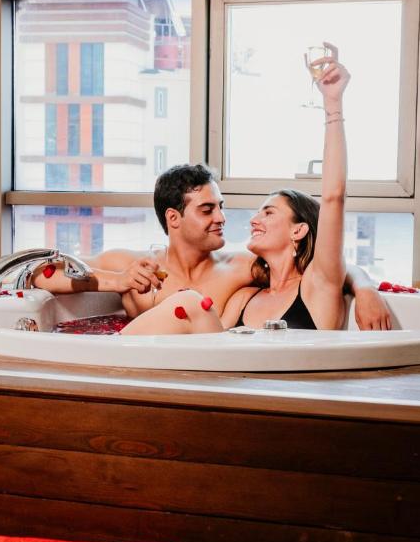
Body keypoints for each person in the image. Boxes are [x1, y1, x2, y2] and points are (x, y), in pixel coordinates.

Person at [32, 49, 391, 331]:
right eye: (207, 210)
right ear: (173, 217)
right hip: (153, 379)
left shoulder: (243, 269)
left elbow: (330, 238)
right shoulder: (136, 266)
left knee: (188, 304)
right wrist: (117, 282)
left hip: (215, 388)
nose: (223, 218)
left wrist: (365, 288)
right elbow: (42, 272)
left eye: (220, 206)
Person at [121, 44, 350, 334]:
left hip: (288, 380)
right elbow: (211, 347)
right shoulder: (244, 297)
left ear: (299, 230)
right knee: (190, 303)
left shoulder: (319, 284)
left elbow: (333, 197)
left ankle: (100, 357)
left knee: (191, 302)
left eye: (268, 212)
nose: (254, 220)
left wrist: (333, 105)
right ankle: (106, 358)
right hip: (228, 377)